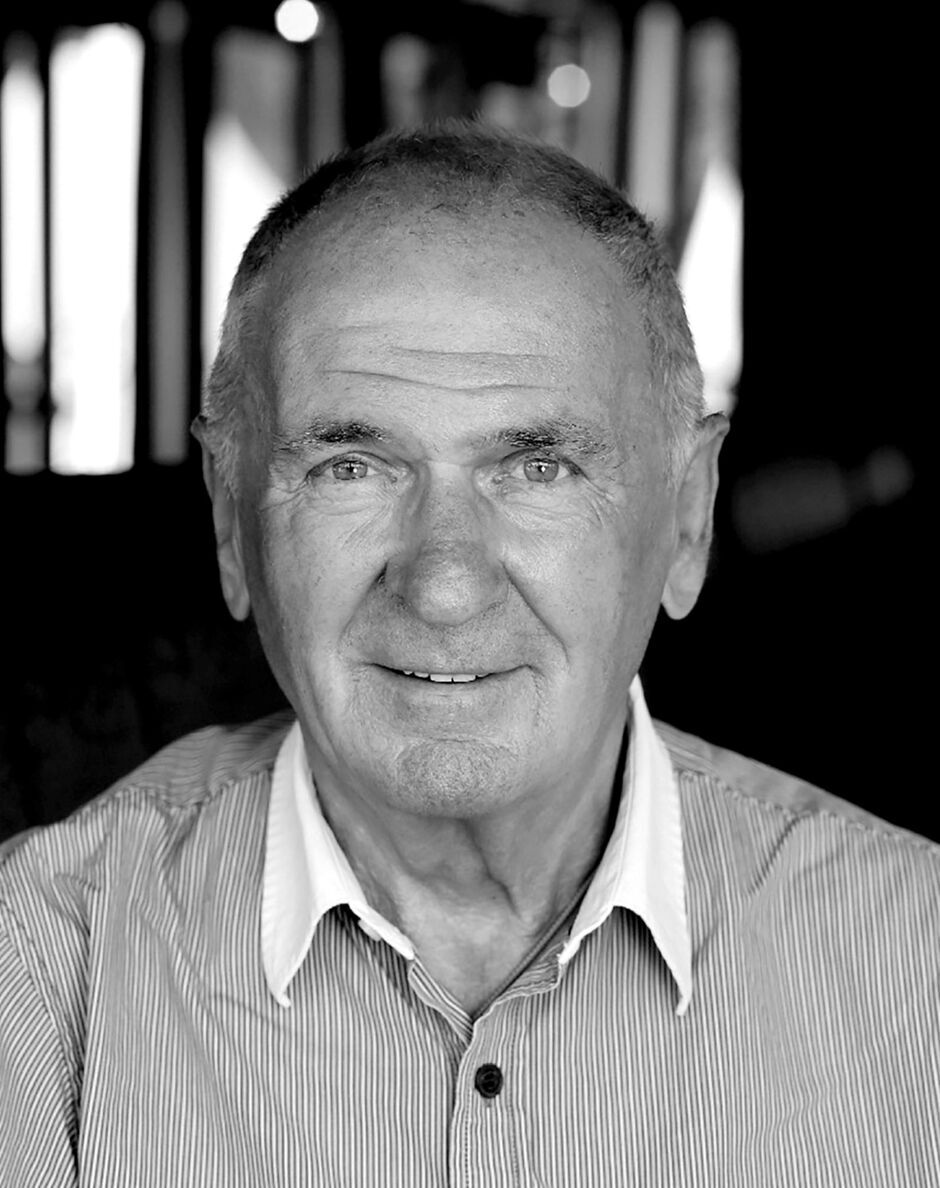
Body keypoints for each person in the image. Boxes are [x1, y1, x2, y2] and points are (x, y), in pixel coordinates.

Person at [1, 124, 936, 1188]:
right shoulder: (40, 967)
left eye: (538, 468)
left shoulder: (915, 960)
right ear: (230, 523)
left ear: (687, 518)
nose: (443, 585)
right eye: (351, 466)